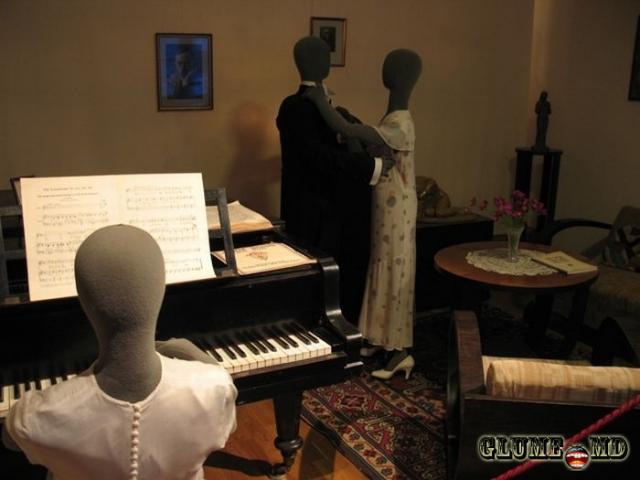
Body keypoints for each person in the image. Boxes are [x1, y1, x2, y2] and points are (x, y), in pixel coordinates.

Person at [2, 225, 237, 480]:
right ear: (159, 291)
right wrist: (199, 358)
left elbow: (10, 439)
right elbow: (226, 423)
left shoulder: (34, 416)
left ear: (84, 298)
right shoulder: (215, 389)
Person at [304, 49, 422, 380]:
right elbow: (359, 139)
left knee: (394, 272)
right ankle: (380, 338)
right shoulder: (392, 120)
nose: (386, 71)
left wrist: (319, 99)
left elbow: (346, 128)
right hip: (386, 206)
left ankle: (399, 352)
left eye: (393, 68)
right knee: (381, 266)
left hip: (397, 210)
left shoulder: (401, 124)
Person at [277, 36, 394, 324]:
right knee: (319, 281)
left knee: (344, 276)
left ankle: (346, 325)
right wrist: (371, 166)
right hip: (313, 213)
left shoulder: (331, 107)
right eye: (321, 56)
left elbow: (346, 138)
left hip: (339, 210)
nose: (325, 60)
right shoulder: (295, 108)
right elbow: (318, 157)